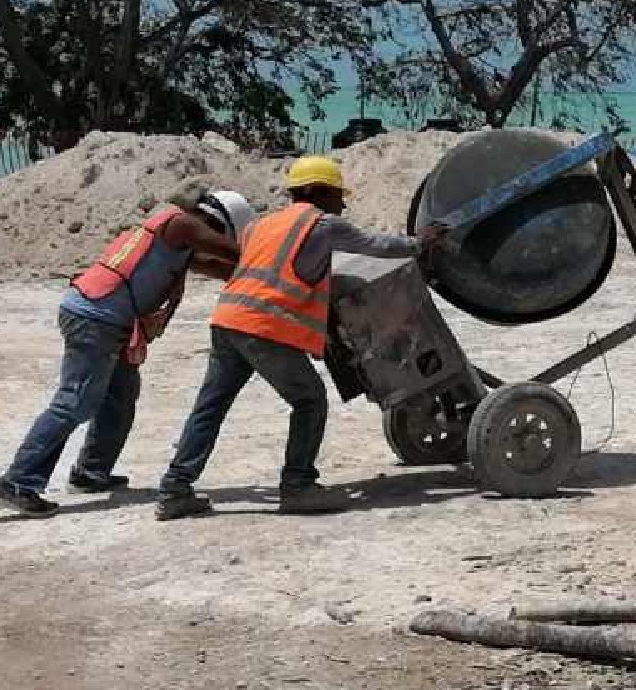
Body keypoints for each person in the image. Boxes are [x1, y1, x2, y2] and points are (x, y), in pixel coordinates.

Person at [155, 156, 447, 520]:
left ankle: (174, 488)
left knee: (210, 406)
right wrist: (421, 243)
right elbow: (376, 245)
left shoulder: (261, 225)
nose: (342, 203)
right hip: (262, 327)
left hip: (228, 319)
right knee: (309, 399)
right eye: (338, 195)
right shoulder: (322, 225)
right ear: (319, 192)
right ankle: (298, 486)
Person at [0, 186, 257, 518]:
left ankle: (91, 472)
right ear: (217, 223)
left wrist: (265, 276)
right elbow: (238, 255)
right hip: (93, 319)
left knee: (120, 395)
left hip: (103, 320)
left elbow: (228, 268)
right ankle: (18, 482)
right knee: (75, 402)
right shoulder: (180, 224)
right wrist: (274, 256)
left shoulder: (180, 243)